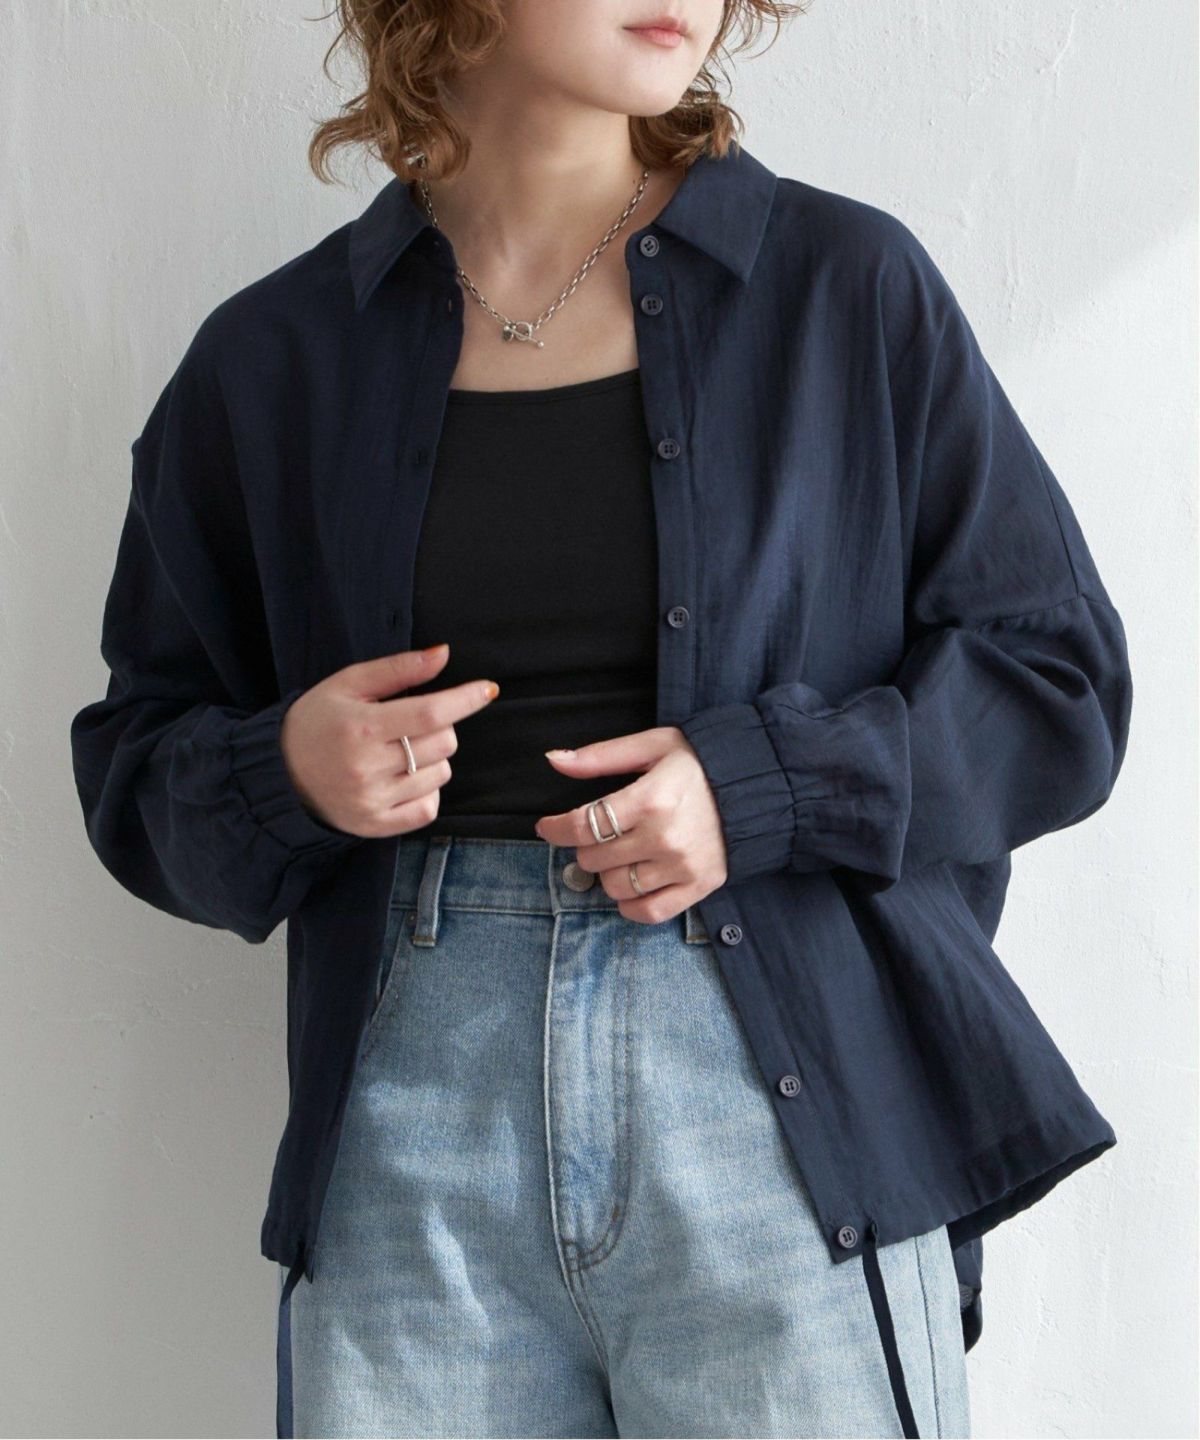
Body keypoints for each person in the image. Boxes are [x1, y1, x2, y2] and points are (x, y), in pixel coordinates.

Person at [69, 1, 1134, 1436]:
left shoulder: (842, 290)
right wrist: (287, 774)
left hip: (780, 1119)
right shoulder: (276, 358)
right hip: (408, 1137)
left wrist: (758, 788)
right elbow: (136, 760)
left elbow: (1056, 680)